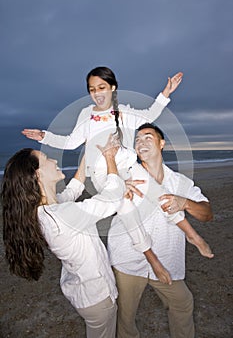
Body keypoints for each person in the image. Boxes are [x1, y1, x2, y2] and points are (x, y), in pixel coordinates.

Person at [21, 66, 184, 284]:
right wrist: (45, 136)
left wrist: (166, 93)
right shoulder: (86, 114)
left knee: (158, 191)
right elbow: (70, 142)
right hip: (102, 174)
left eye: (102, 87)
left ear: (113, 89)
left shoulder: (122, 111)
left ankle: (186, 229)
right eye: (92, 89)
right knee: (126, 206)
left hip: (126, 166)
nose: (97, 93)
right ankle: (151, 257)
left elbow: (149, 116)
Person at [1, 135, 126, 338]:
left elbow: (73, 189)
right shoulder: (62, 216)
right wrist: (110, 158)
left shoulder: (45, 210)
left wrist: (88, 151)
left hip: (82, 291)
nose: (55, 161)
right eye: (47, 159)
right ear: (38, 175)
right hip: (97, 297)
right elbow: (113, 198)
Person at [107, 123, 214, 338]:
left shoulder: (180, 182)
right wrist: (118, 186)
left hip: (166, 259)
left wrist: (184, 203)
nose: (141, 142)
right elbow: (105, 201)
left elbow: (207, 213)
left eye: (148, 137)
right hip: (127, 259)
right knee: (125, 318)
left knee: (183, 304)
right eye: (137, 139)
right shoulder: (125, 176)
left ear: (161, 144)